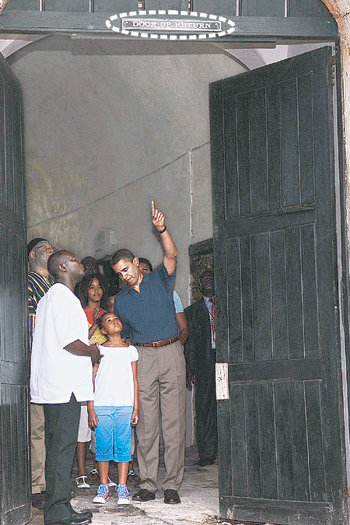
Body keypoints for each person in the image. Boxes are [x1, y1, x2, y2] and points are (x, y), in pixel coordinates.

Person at [111, 201, 186, 505]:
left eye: (126, 269)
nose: (124, 276)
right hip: (143, 357)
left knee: (174, 421)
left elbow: (171, 254)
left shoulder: (159, 280)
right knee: (146, 424)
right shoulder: (122, 302)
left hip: (171, 352)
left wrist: (162, 229)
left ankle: (172, 486)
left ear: (136, 262)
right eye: (119, 273)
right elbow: (124, 336)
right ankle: (148, 483)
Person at [30, 250, 101, 525]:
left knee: (59, 447)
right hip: (63, 387)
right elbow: (70, 342)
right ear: (62, 266)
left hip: (57, 386)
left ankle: (59, 504)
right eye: (72, 259)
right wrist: (93, 352)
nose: (79, 262)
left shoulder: (51, 297)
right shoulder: (63, 297)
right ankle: (57, 511)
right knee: (62, 448)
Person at [88, 312, 139, 505]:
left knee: (123, 446)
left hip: (125, 405)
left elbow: (134, 380)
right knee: (103, 447)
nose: (114, 321)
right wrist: (90, 408)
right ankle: (103, 486)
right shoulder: (98, 350)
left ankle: (122, 486)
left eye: (116, 318)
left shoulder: (131, 350)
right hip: (102, 405)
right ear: (102, 330)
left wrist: (136, 407)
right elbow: (91, 381)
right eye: (108, 320)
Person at [75, 274, 112, 489]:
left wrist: (104, 319)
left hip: (104, 373)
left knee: (102, 423)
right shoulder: (80, 313)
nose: (96, 291)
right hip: (83, 372)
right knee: (83, 425)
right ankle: (81, 471)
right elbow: (80, 341)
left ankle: (101, 471)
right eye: (91, 287)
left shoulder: (109, 314)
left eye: (99, 287)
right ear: (85, 291)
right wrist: (96, 323)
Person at [27, 237, 54, 509]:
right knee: (37, 427)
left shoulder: (56, 285)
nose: (52, 249)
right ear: (33, 254)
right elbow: (31, 322)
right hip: (38, 362)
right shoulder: (29, 283)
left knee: (55, 428)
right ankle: (37, 485)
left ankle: (54, 483)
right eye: (46, 247)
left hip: (57, 366)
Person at [184, 270, 218, 466]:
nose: (207, 281)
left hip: (225, 362)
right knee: (204, 406)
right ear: (199, 285)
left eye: (210, 278)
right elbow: (190, 343)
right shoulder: (192, 312)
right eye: (203, 279)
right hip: (203, 362)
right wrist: (189, 368)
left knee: (225, 404)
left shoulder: (227, 306)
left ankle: (227, 448)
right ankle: (206, 453)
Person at [138, 257, 189, 345]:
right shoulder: (131, 299)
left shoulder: (170, 294)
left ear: (152, 273)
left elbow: (184, 329)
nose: (142, 274)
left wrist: (176, 348)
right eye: (138, 271)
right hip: (145, 352)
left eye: (145, 270)